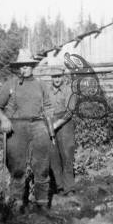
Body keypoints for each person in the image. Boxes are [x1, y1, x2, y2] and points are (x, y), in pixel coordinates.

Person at [0, 49, 53, 214]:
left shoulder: (41, 85)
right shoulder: (10, 84)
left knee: (42, 167)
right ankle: (17, 205)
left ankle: (43, 205)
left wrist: (50, 126)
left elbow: (48, 107)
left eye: (26, 65)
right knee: (17, 169)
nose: (23, 69)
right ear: (17, 68)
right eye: (20, 66)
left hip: (39, 126)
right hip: (16, 127)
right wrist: (4, 119)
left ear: (32, 66)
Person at [47, 66, 76, 198]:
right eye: (54, 77)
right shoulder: (47, 91)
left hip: (65, 124)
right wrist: (49, 125)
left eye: (59, 76)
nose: (56, 79)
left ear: (63, 77)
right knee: (54, 156)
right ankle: (59, 187)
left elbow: (70, 111)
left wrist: (56, 124)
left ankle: (69, 188)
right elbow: (44, 109)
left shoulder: (69, 90)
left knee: (67, 155)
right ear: (51, 78)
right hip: (50, 123)